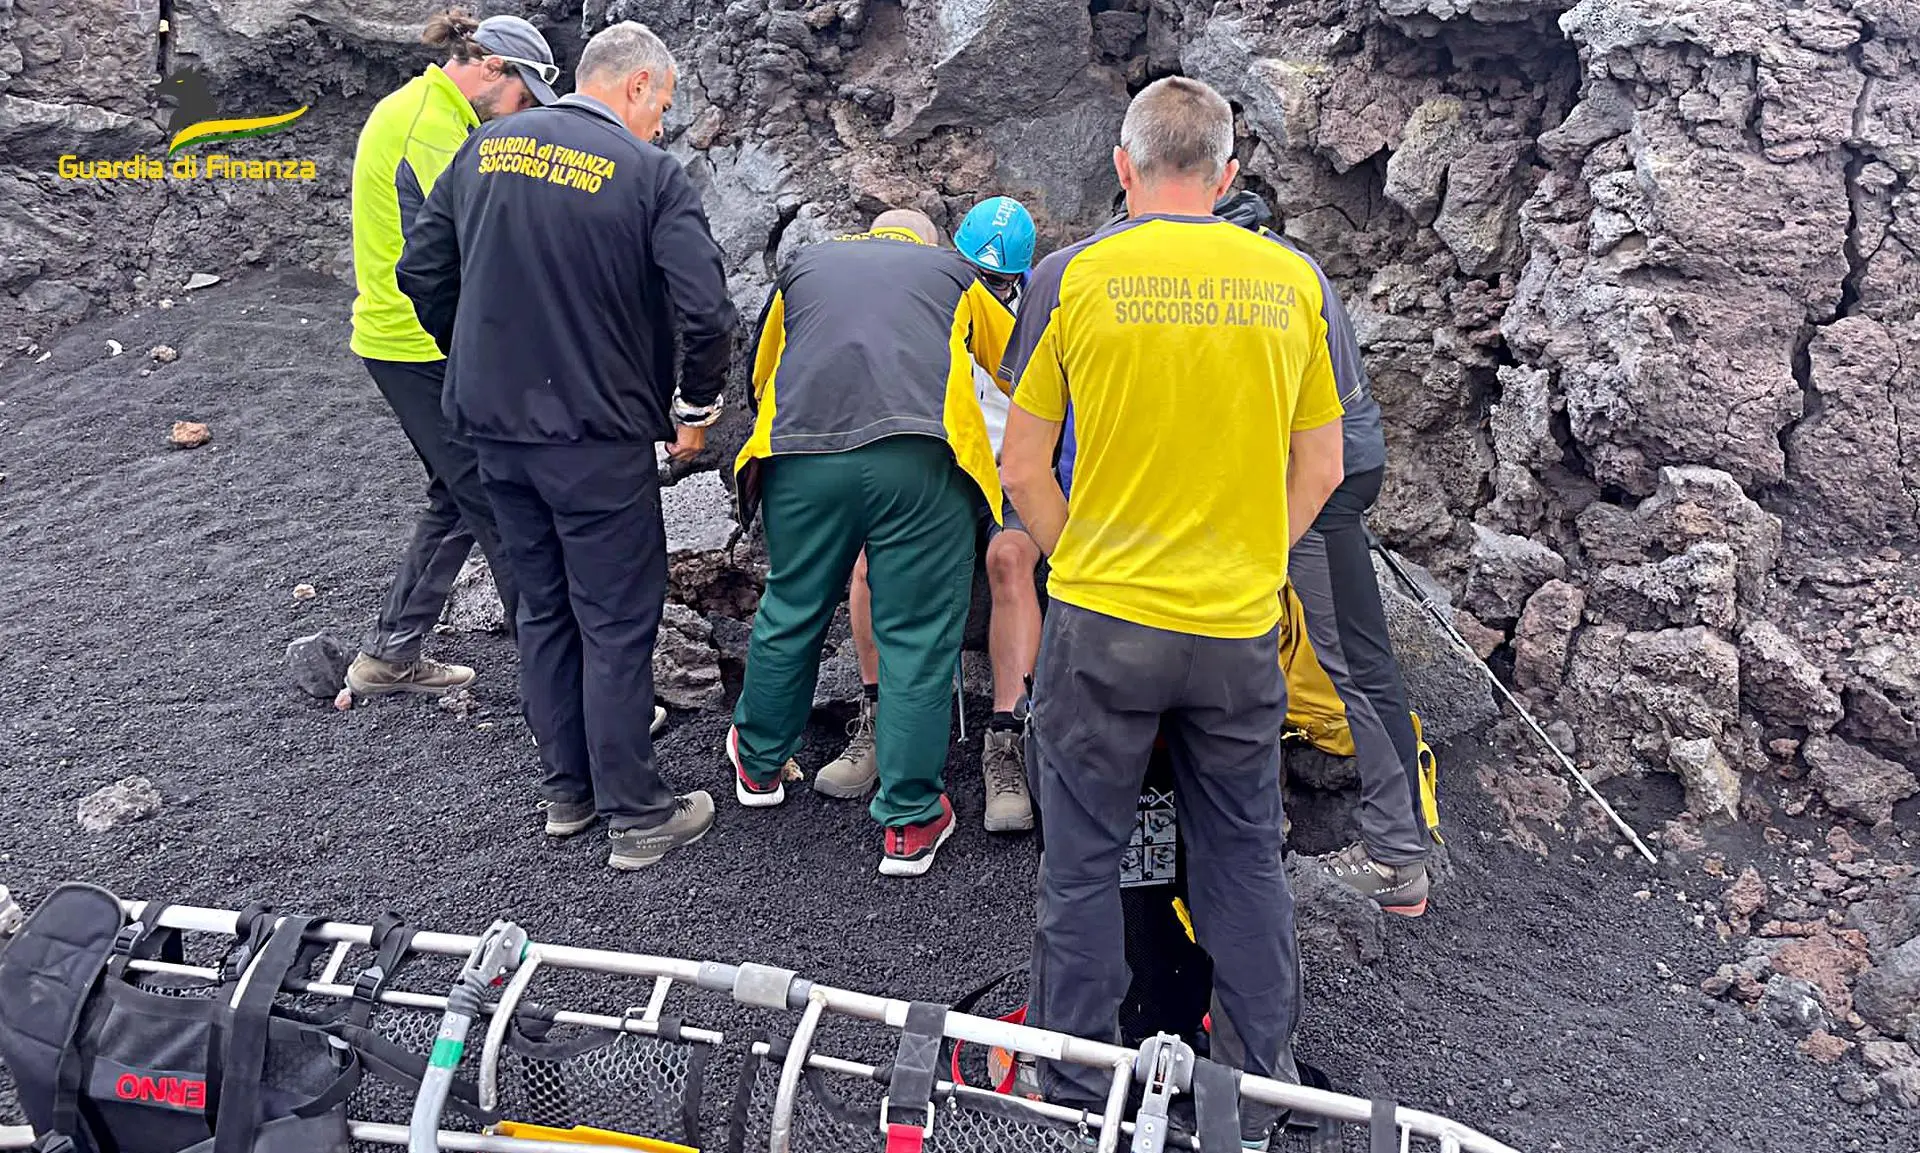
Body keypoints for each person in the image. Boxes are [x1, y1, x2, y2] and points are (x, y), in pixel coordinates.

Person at [998, 77, 1346, 1149]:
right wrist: (1252, 562)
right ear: (1228, 174)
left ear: (1123, 165)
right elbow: (1323, 467)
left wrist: (1081, 561)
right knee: (1244, 856)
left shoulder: (1074, 275)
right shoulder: (1293, 281)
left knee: (1082, 858)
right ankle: (1258, 1086)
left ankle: (1071, 1078)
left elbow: (1021, 465)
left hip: (1104, 623)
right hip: (1234, 628)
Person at [397, 20, 736, 871]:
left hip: (492, 432)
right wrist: (695, 405)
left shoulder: (485, 149)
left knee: (543, 607)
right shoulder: (648, 174)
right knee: (615, 618)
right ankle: (637, 812)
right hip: (595, 436)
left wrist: (475, 358)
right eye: (662, 103)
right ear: (636, 86)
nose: (662, 121)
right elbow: (706, 311)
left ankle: (567, 792)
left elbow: (421, 272)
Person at [727, 209, 1015, 878]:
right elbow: (1019, 368)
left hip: (802, 457)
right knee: (915, 635)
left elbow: (761, 374)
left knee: (792, 606)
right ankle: (910, 822)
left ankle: (759, 764)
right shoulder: (954, 275)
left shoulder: (802, 268)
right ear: (926, 241)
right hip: (919, 462)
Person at [1214, 189, 1433, 916]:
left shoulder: (1258, 277)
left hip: (1317, 481)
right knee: (1254, 646)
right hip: (1303, 473)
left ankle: (1397, 857)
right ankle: (1259, 831)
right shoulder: (1284, 263)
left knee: (1352, 663)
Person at [343, 9, 559, 699]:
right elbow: (464, 252)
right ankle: (565, 689)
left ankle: (389, 655)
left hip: (411, 341)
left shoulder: (442, 116)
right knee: (501, 502)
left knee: (459, 492)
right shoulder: (427, 128)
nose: (523, 112)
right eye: (522, 95)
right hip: (419, 347)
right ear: (492, 67)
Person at [819, 195, 1044, 835]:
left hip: (1009, 471)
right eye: (977, 272)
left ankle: (1007, 738)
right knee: (869, 562)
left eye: (1000, 278)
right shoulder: (926, 301)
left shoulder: (1040, 313)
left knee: (1010, 559)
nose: (988, 286)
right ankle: (876, 715)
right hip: (936, 469)